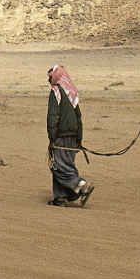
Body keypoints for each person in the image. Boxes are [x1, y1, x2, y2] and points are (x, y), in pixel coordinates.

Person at [46, 65, 94, 207]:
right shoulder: (71, 92)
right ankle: (60, 198)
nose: (49, 80)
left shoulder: (56, 92)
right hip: (73, 136)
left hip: (61, 136)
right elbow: (79, 117)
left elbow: (52, 117)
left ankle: (81, 185)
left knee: (59, 166)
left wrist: (52, 137)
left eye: (50, 77)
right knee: (61, 164)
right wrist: (79, 138)